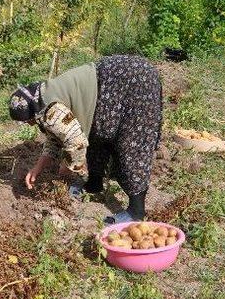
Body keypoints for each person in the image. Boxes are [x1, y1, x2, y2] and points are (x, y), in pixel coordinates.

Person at [9, 54, 162, 224]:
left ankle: (136, 212)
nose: (30, 124)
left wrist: (70, 166)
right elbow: (56, 135)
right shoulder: (41, 96)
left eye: (28, 120)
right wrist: (38, 167)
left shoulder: (51, 109)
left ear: (32, 112)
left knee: (132, 142)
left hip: (132, 82)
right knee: (99, 133)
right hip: (111, 81)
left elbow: (76, 141)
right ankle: (93, 184)